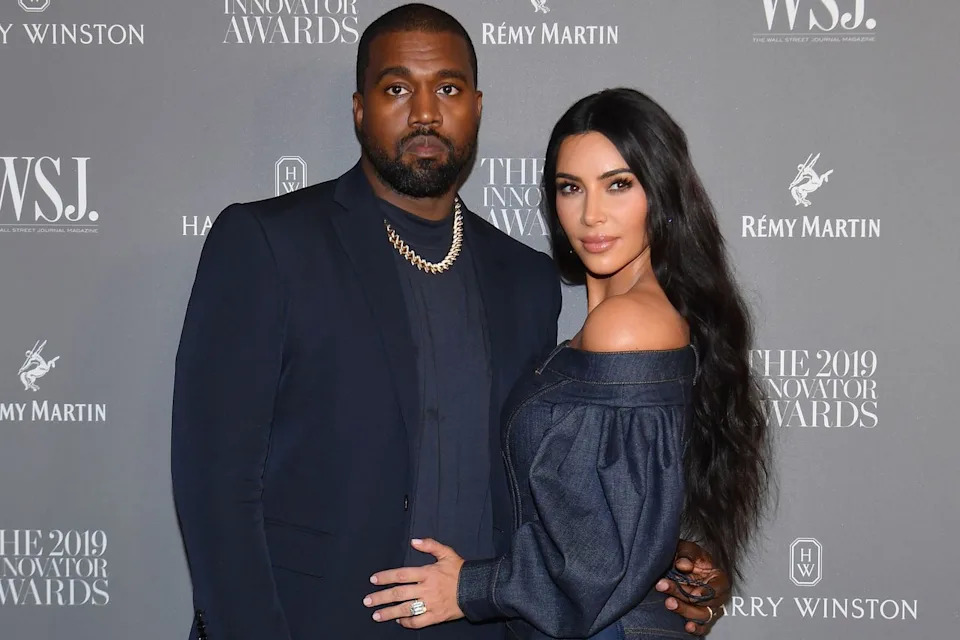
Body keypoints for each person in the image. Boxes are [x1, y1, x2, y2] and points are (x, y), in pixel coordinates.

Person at [172, 3, 729, 638]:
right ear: (360, 109)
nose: (425, 112)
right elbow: (215, 488)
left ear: (477, 106)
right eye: (396, 88)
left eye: (447, 88)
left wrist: (660, 556)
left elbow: (544, 479)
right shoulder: (267, 244)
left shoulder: (526, 277)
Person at [362, 88, 772, 639]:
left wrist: (467, 588)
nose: (591, 214)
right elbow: (625, 512)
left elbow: (597, 560)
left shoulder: (625, 327)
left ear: (662, 194)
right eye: (570, 188)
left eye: (619, 184)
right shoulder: (634, 321)